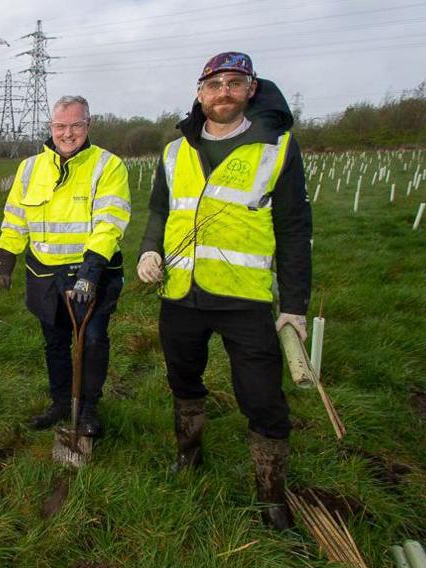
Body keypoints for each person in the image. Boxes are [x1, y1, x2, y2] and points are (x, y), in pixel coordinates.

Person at [136, 52, 312, 530]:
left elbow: (295, 229)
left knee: (261, 397)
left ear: (251, 89)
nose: (224, 92)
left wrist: (293, 306)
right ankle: (188, 455)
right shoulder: (175, 151)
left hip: (244, 298)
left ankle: (271, 494)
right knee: (183, 380)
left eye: (234, 83)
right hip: (181, 294)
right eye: (214, 85)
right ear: (200, 93)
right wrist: (149, 251)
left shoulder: (276, 148)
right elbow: (158, 209)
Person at [0, 95, 131, 438]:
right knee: (54, 342)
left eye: (75, 125)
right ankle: (60, 402)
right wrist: (6, 258)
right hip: (44, 275)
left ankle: (86, 409)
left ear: (88, 125)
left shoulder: (107, 165)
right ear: (51, 127)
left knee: (93, 340)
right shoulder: (30, 168)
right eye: (60, 126)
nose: (67, 133)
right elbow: (15, 218)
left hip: (92, 273)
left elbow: (109, 221)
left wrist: (91, 270)